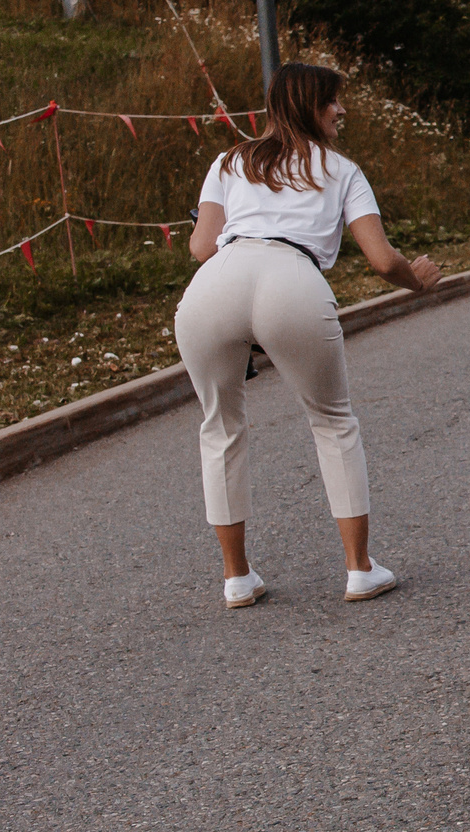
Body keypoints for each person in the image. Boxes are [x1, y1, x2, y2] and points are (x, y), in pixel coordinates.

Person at [178, 63, 439, 609]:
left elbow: (202, 247)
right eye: (333, 102)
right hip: (293, 281)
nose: (341, 111)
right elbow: (381, 258)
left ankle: (236, 578)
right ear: (310, 106)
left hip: (215, 283)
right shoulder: (343, 171)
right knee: (333, 422)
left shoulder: (229, 160)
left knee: (219, 427)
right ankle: (359, 569)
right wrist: (416, 281)